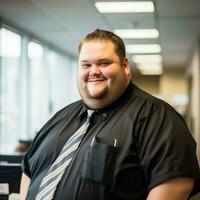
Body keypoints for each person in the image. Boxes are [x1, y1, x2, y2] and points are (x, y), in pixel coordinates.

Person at [20, 29, 200, 200]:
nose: (94, 71)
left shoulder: (158, 117)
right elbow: (29, 170)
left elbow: (176, 187)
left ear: (125, 66)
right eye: (86, 65)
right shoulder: (61, 117)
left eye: (104, 63)